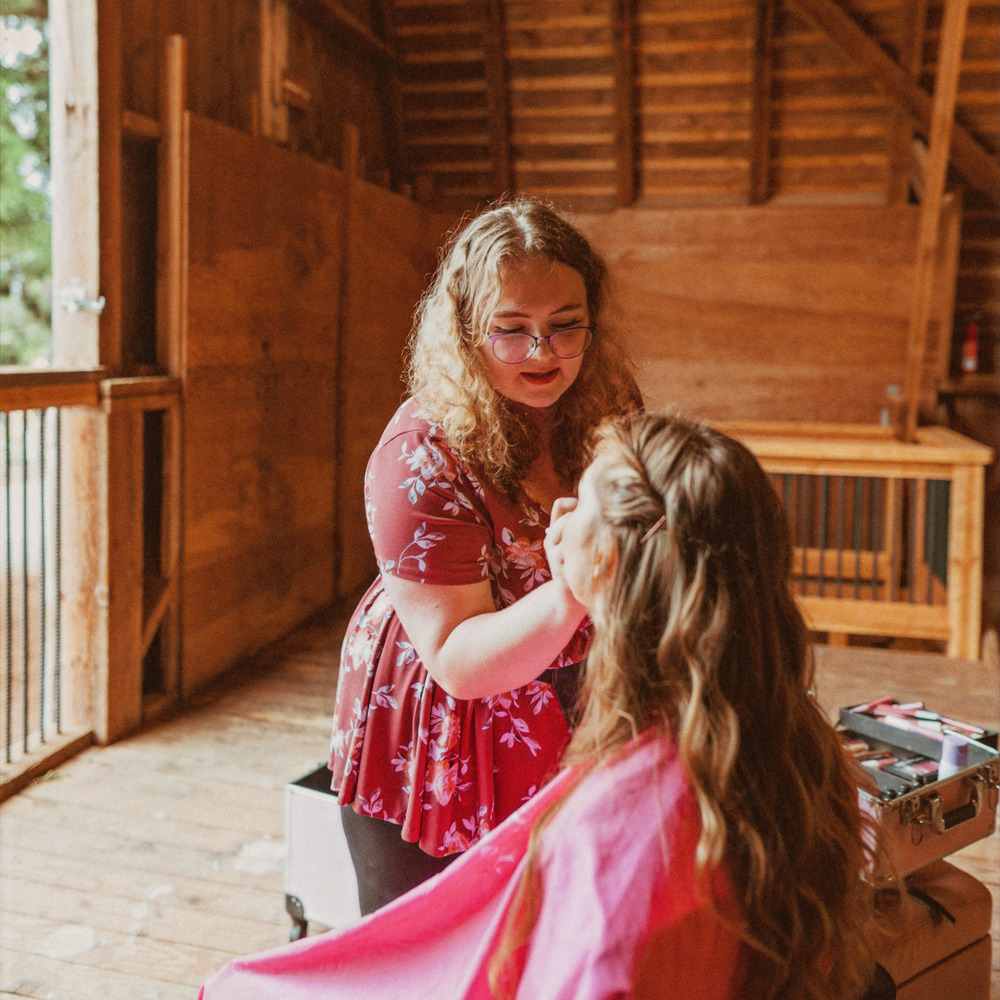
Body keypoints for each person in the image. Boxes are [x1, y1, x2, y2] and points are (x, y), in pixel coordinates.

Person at [200, 411, 875, 1000]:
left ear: (607, 568)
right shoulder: (807, 759)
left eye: (579, 501)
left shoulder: (606, 839)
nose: (558, 514)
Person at [328, 197, 642, 914]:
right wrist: (573, 590)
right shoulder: (419, 455)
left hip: (571, 697)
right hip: (443, 727)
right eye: (512, 331)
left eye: (566, 327)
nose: (543, 354)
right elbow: (460, 660)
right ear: (467, 332)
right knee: (430, 949)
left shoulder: (605, 404)